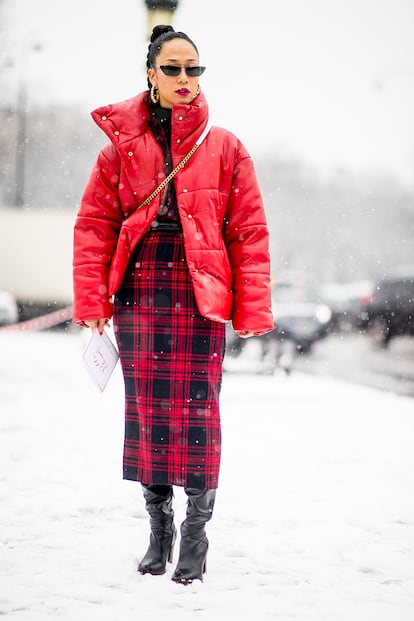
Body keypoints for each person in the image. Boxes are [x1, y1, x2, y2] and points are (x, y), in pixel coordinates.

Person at [73, 24, 274, 584]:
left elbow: (249, 233)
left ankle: (196, 534)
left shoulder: (226, 146)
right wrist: (93, 300)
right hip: (139, 293)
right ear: (151, 74)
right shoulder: (119, 147)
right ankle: (158, 531)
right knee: (147, 418)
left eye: (194, 69)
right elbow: (94, 226)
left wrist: (252, 307)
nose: (185, 79)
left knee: (198, 418)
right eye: (174, 68)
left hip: (199, 294)